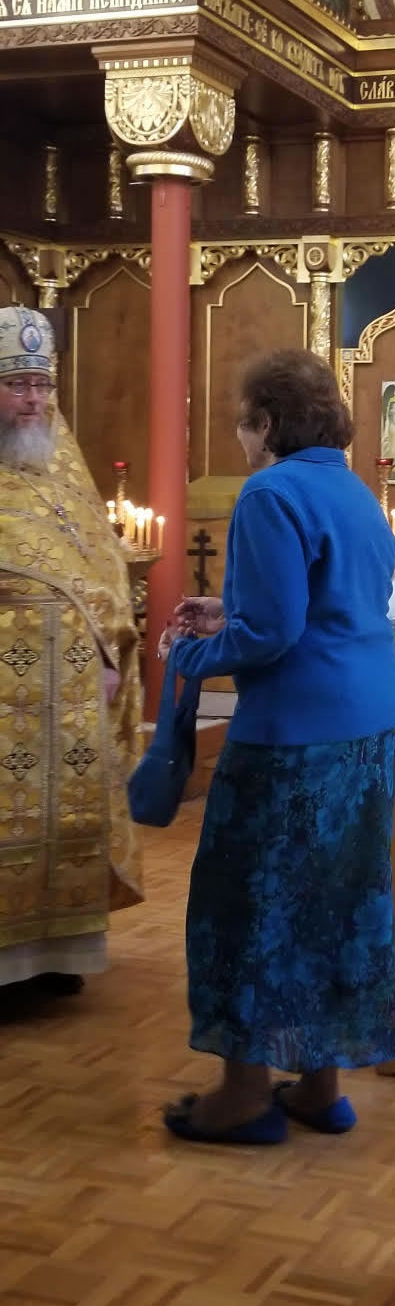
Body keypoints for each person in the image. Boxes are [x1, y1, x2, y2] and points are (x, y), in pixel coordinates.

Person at [163, 348, 395, 1146]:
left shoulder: (270, 491)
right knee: (333, 901)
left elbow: (271, 633)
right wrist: (224, 612)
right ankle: (321, 1087)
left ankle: (242, 1096)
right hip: (364, 729)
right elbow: (330, 605)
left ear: (265, 424)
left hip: (292, 736)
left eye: (242, 423)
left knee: (248, 902)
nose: (240, 439)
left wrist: (190, 653)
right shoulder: (354, 490)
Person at [0, 306, 142, 992]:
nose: (34, 400)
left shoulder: (62, 465)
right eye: (17, 384)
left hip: (72, 691)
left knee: (68, 818)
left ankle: (57, 957)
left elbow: (101, 566)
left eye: (42, 384)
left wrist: (110, 653)